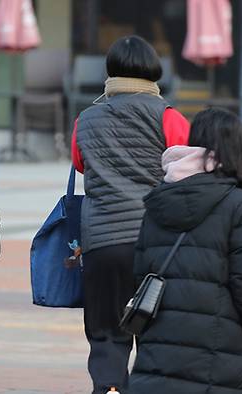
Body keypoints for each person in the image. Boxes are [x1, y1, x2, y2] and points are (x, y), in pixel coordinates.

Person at [71, 35, 190, 394]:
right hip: (155, 243)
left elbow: (79, 164)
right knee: (156, 326)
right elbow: (189, 171)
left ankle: (109, 387)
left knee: (107, 330)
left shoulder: (86, 118)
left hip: (102, 242)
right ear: (154, 72)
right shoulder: (169, 117)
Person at [129, 108, 242, 394]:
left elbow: (140, 273)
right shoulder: (239, 206)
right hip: (225, 356)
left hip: (160, 351)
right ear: (237, 151)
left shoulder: (158, 199)